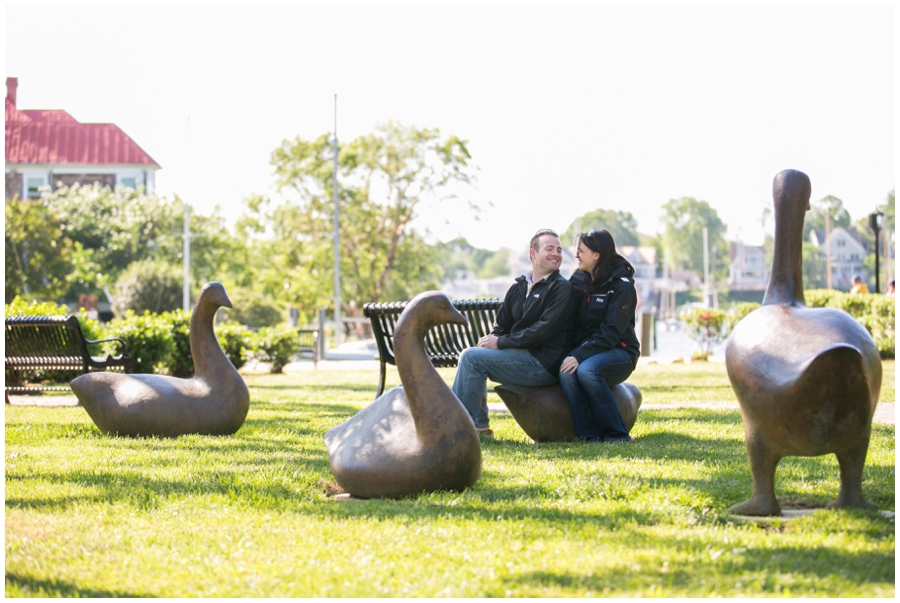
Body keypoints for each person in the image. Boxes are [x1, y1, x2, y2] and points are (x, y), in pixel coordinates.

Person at [451, 229, 573, 436]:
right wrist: (490, 343)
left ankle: (458, 428)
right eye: (549, 249)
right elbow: (501, 326)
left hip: (543, 363)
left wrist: (501, 343)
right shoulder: (517, 288)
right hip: (519, 356)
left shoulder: (561, 288)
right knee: (473, 356)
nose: (556, 254)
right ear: (533, 254)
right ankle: (478, 428)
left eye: (559, 250)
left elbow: (544, 330)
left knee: (471, 358)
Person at [558, 229, 640, 442]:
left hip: (620, 352)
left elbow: (611, 332)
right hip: (589, 350)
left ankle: (617, 434)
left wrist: (579, 355)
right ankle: (588, 435)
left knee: (587, 370)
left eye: (581, 251)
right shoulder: (580, 281)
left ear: (596, 255)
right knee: (566, 372)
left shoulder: (622, 286)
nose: (576, 256)